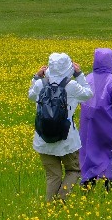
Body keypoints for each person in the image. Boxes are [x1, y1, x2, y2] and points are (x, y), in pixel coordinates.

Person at [29, 52, 91, 201]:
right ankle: (61, 201)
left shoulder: (40, 84)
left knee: (53, 175)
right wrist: (79, 74)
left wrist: (36, 77)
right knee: (73, 170)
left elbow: (31, 96)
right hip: (66, 139)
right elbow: (88, 93)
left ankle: (50, 207)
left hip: (43, 138)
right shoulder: (72, 86)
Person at [78, 48, 112, 189]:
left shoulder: (87, 79)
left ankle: (87, 189)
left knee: (89, 157)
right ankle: (110, 189)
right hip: (110, 129)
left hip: (89, 130)